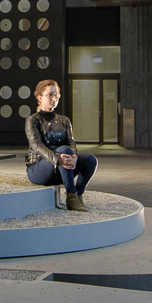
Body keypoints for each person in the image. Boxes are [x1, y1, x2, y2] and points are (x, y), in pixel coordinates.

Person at [24, 79, 97, 211]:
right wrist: (58, 158)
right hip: (39, 168)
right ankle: (71, 196)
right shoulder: (33, 120)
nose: (54, 98)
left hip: (61, 167)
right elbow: (36, 146)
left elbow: (71, 142)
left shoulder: (64, 120)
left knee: (90, 159)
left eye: (56, 95)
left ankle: (78, 194)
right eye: (50, 95)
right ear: (40, 97)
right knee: (64, 150)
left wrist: (74, 156)